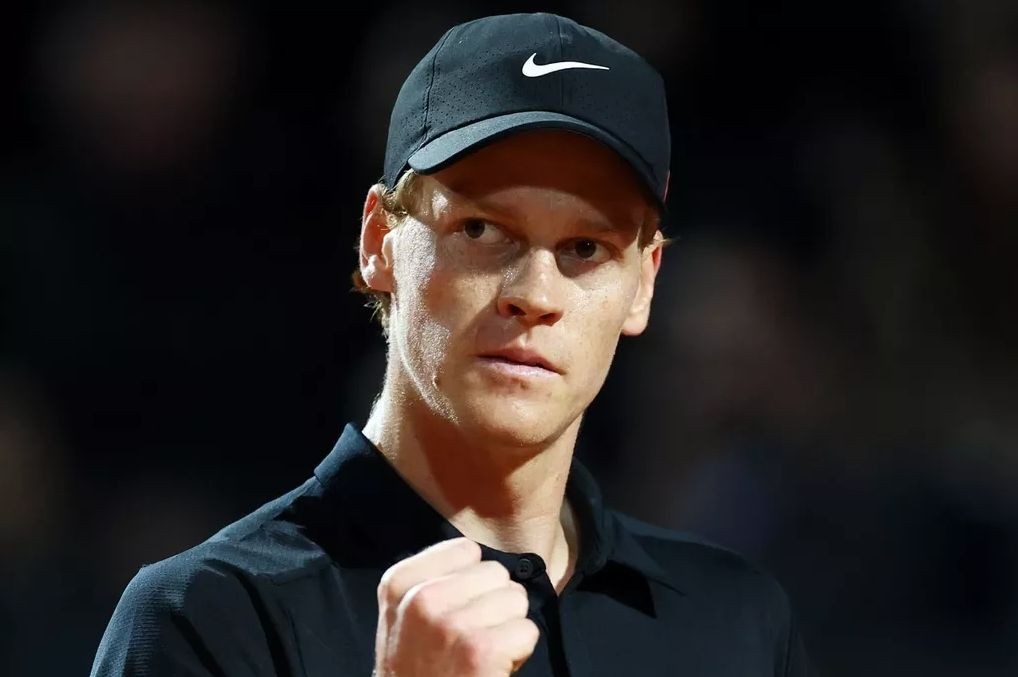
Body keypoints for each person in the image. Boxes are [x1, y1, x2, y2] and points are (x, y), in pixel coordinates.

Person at [91, 12, 810, 676]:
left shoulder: (738, 621)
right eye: (481, 229)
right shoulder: (209, 618)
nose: (534, 292)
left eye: (586, 247)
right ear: (379, 240)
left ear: (643, 284)